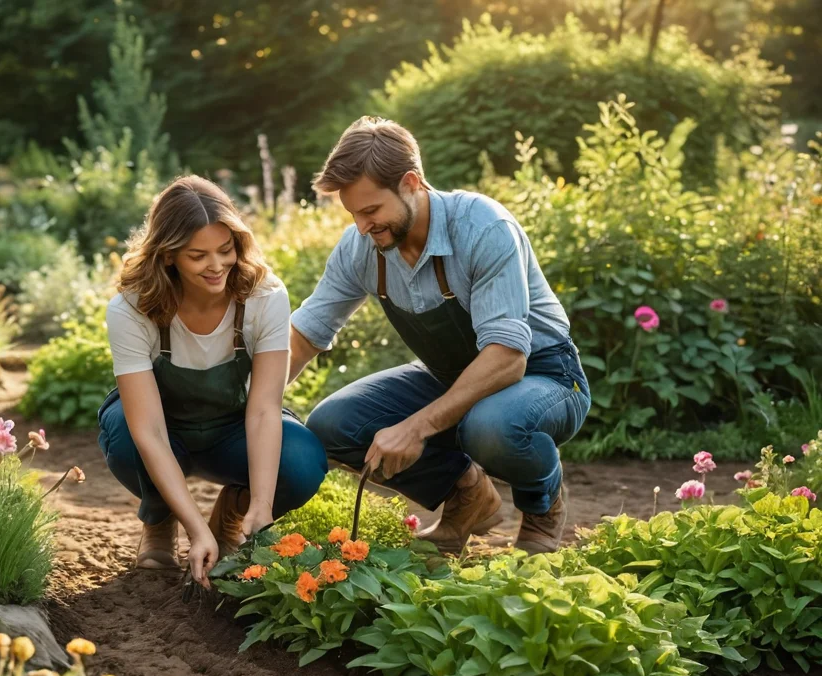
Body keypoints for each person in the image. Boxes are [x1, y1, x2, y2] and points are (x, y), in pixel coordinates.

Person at [289, 118, 590, 555]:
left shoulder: (482, 228)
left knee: (490, 427)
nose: (362, 226)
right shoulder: (362, 248)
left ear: (410, 183)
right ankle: (467, 495)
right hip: (449, 375)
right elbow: (304, 336)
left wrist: (415, 428)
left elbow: (507, 358)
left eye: (371, 211)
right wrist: (252, 407)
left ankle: (543, 505)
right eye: (353, 213)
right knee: (332, 425)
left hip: (544, 376)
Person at [98, 175, 327, 586]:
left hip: (233, 428)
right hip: (166, 430)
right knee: (125, 438)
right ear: (168, 256)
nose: (217, 265)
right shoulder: (132, 308)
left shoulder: (265, 297)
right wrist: (194, 529)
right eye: (197, 255)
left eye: (226, 250)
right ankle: (160, 517)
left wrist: (261, 503)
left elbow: (263, 410)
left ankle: (232, 514)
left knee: (302, 462)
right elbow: (148, 429)